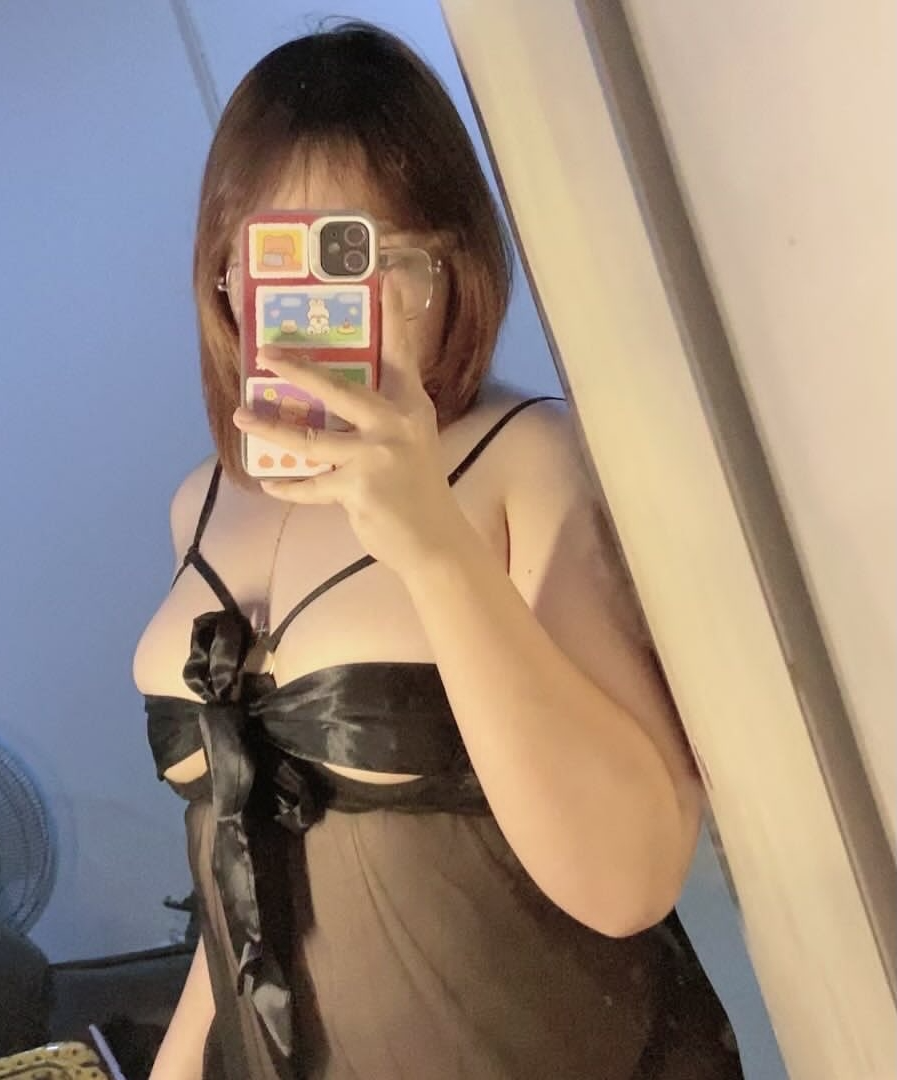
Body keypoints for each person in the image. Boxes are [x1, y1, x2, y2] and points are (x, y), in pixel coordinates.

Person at [135, 20, 744, 1080]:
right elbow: (243, 868)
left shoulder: (532, 457)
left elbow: (628, 880)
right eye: (281, 264)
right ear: (226, 279)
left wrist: (432, 547)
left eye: (362, 259)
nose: (327, 309)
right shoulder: (200, 505)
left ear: (449, 270)